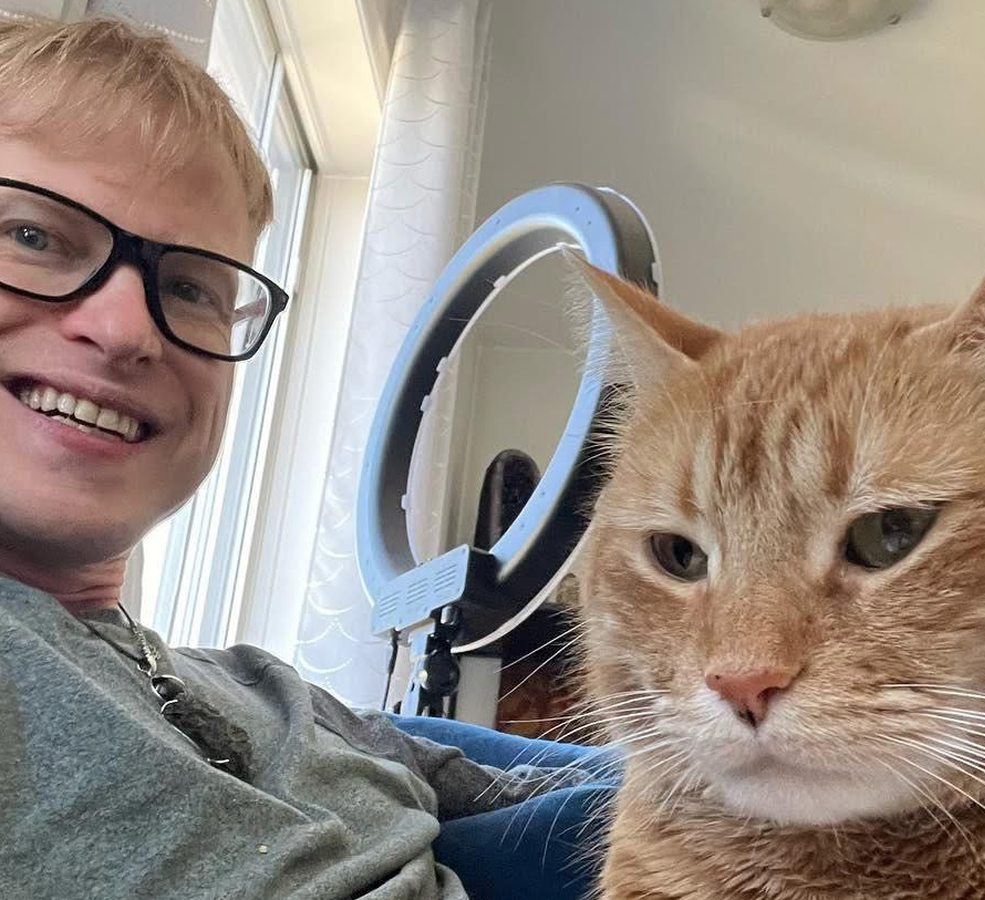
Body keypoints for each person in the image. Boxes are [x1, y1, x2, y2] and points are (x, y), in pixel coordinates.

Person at [0, 16, 614, 900]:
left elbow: (680, 805)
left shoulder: (272, 696)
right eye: (34, 237)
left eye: (189, 286)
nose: (127, 328)